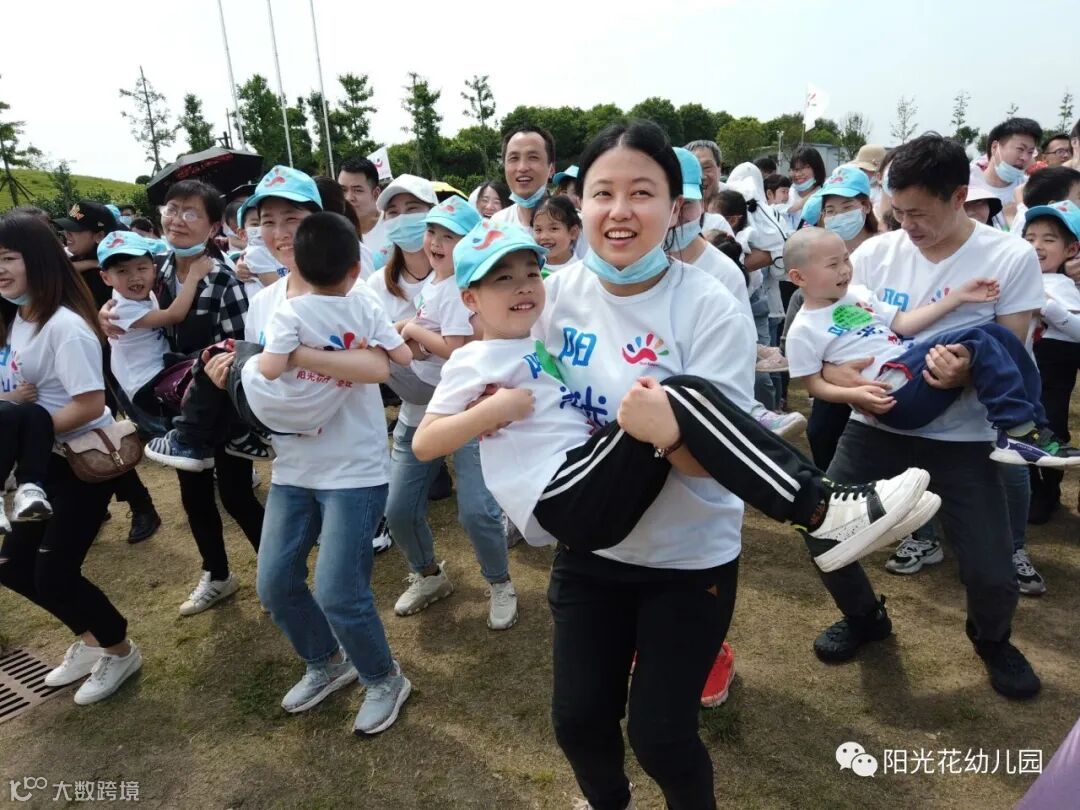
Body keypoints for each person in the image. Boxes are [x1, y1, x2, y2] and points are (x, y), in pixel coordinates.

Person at [530, 119, 805, 809]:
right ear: (580, 202)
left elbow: (719, 462)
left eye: (642, 192)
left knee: (661, 736)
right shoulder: (551, 296)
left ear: (676, 205)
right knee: (578, 721)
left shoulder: (709, 303)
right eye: (603, 193)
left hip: (688, 556)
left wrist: (661, 437)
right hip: (592, 544)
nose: (620, 211)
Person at [415, 218, 933, 565]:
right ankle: (820, 509)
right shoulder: (473, 360)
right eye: (502, 279)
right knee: (677, 393)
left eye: (531, 272)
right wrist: (492, 412)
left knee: (675, 396)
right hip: (561, 491)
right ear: (470, 299)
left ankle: (824, 508)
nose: (524, 286)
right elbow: (425, 442)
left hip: (596, 483)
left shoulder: (535, 337)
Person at [805, 134, 1045, 699]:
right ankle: (865, 618)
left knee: (989, 567)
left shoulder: (1008, 257)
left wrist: (964, 373)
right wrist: (850, 384)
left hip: (964, 438)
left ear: (959, 196)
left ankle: (993, 640)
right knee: (822, 531)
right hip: (874, 425)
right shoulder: (872, 256)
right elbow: (833, 342)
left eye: (919, 213)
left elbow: (1012, 349)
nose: (906, 225)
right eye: (898, 211)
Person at [251, 210, 415, 735]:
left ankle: (383, 677)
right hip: (293, 466)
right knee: (275, 583)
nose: (280, 230)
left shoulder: (359, 298)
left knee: (340, 591)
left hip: (354, 469)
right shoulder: (265, 303)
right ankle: (326, 661)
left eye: (291, 218)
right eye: (267, 219)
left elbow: (380, 366)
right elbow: (258, 372)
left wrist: (299, 352)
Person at [785, 228, 1079, 465]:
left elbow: (905, 324)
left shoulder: (859, 294)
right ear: (798, 277)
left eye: (846, 260)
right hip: (890, 394)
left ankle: (1033, 429)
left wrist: (957, 297)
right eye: (833, 265)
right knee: (979, 338)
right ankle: (1015, 430)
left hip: (910, 374)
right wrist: (854, 394)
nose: (845, 270)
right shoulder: (803, 329)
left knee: (997, 335)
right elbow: (814, 385)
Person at [0, 213, 141, 705]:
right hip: (42, 467)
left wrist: (25, 433)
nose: (0, 269)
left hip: (80, 464)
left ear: (37, 260)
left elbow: (91, 404)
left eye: (8, 258)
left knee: (54, 573)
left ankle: (120, 651)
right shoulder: (19, 319)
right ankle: (91, 639)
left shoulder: (66, 327)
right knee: (12, 566)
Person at [112, 178, 263, 616]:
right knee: (193, 496)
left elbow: (238, 352)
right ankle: (217, 574)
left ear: (214, 226)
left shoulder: (222, 280)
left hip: (219, 407)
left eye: (191, 212)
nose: (177, 219)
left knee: (236, 494)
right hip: (174, 408)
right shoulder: (153, 270)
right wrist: (109, 311)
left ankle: (279, 571)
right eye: (172, 209)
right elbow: (125, 301)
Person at [375, 177, 517, 630]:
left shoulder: (459, 287)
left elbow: (455, 350)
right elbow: (431, 346)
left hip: (467, 413)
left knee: (476, 511)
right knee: (398, 509)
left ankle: (499, 582)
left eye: (450, 236)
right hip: (418, 414)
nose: (436, 242)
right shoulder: (430, 284)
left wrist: (411, 331)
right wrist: (413, 341)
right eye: (433, 232)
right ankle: (428, 575)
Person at [53, 200, 161, 543]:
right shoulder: (83, 266)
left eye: (75, 231)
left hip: (108, 363)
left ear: (99, 235)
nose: (67, 236)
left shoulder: (118, 268)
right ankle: (104, 502)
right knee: (91, 435)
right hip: (81, 360)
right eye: (65, 230)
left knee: (103, 432)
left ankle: (141, 506)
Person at [1024, 201, 1080, 528]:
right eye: (1030, 238)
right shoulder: (1016, 277)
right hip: (1023, 368)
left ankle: (1048, 492)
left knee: (1051, 428)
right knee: (1021, 429)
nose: (1037, 246)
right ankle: (1032, 490)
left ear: (1071, 249)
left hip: (1054, 369)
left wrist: (1046, 307)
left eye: (1049, 239)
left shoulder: (1066, 288)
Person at [969, 117, 1043, 227]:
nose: (1025, 158)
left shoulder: (1030, 190)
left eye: (1030, 152)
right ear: (995, 147)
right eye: (1020, 149)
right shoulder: (968, 185)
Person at [491, 125, 556, 230]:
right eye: (514, 158)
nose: (522, 168)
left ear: (551, 169)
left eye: (533, 157)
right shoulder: (497, 224)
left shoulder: (575, 224)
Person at [338, 156, 388, 259]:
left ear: (376, 194)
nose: (348, 198)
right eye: (343, 190)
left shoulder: (394, 228)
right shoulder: (333, 233)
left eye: (357, 190)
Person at [532, 195, 582, 273]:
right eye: (538, 230)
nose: (544, 236)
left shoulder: (582, 272)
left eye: (553, 228)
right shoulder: (531, 269)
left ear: (573, 232)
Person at [784, 146, 827, 228]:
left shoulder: (826, 197)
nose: (798, 174)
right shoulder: (785, 193)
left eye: (804, 167)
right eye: (795, 169)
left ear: (816, 169)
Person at [850, 144, 887, 209]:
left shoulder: (886, 192)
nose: (861, 172)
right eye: (860, 169)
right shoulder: (855, 186)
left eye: (864, 169)